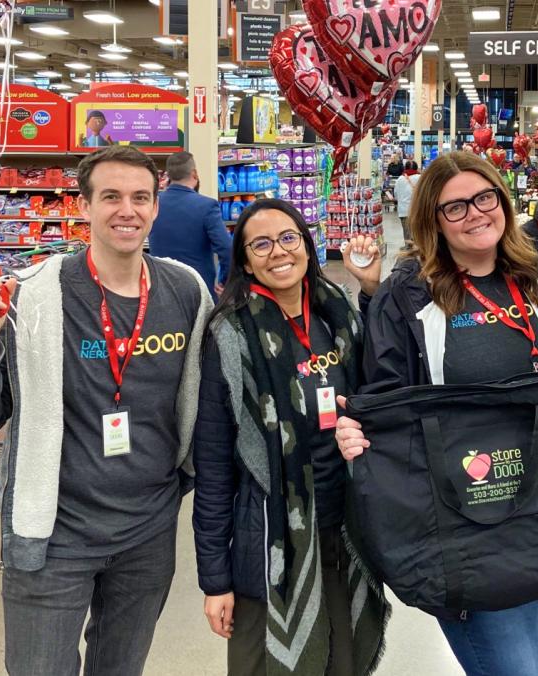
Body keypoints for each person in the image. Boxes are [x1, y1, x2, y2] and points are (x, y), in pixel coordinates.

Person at [332, 151, 538, 676]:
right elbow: (386, 395)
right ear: (432, 220)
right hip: (468, 521)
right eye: (455, 208)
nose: (475, 213)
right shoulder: (409, 294)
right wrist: (359, 432)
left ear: (502, 198)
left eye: (484, 197)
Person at [0, 145, 214, 675]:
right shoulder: (33, 294)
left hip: (148, 532)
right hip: (54, 535)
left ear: (156, 207)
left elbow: (213, 395)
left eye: (141, 197)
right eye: (111, 196)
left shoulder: (186, 292)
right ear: (84, 206)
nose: (127, 210)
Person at [193, 200, 387, 676]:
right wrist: (215, 580)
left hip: (346, 526)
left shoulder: (338, 314)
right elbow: (215, 466)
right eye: (260, 243)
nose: (277, 251)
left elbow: (384, 377)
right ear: (244, 260)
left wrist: (370, 289)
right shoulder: (230, 335)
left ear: (307, 244)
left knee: (344, 660)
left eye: (288, 238)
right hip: (274, 542)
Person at [149, 151, 233, 300]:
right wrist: (224, 282)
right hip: (198, 291)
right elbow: (226, 249)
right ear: (194, 173)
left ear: (168, 175)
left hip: (160, 289)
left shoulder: (154, 203)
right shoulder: (207, 206)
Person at [394, 160, 420, 247]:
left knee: (407, 232)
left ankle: (408, 249)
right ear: (416, 168)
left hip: (403, 211)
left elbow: (396, 195)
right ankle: (418, 248)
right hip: (417, 210)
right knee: (418, 231)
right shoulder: (420, 178)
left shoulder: (400, 179)